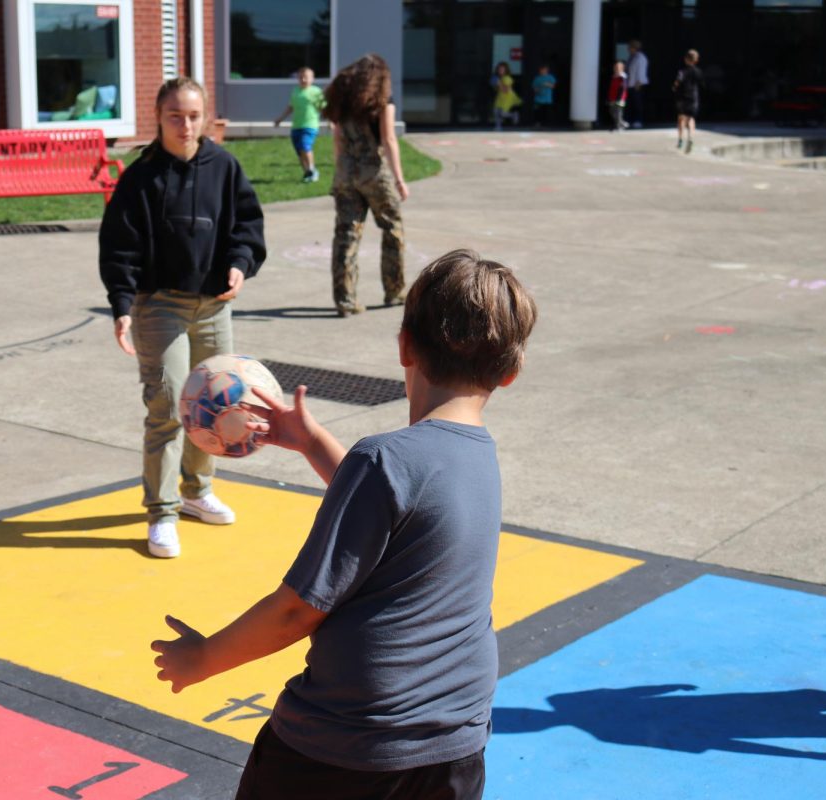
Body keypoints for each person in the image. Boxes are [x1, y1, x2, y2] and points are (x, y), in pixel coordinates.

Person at [151, 249, 539, 800]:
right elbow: (397, 515)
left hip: (347, 746)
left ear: (403, 344)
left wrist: (203, 657)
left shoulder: (383, 460)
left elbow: (296, 609)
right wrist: (312, 443)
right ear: (509, 372)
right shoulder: (477, 455)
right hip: (453, 741)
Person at [99, 76, 266, 559]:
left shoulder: (225, 167)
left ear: (207, 118)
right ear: (158, 117)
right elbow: (119, 246)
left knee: (214, 405)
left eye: (193, 116)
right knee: (169, 405)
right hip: (161, 306)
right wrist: (121, 304)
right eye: (175, 116)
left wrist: (240, 263)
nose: (185, 125)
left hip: (214, 305)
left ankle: (196, 490)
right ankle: (162, 511)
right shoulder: (142, 175)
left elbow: (247, 226)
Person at [322, 53, 408, 318]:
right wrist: (400, 179)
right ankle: (394, 290)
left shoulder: (343, 102)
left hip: (346, 172)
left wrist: (341, 172)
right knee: (392, 228)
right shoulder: (383, 101)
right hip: (374, 173)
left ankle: (345, 300)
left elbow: (337, 139)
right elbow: (389, 138)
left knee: (346, 234)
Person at [273, 67, 326, 183]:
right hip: (296, 126)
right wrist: (280, 119)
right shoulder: (296, 91)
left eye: (306, 77)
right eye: (301, 77)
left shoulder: (316, 92)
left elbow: (323, 108)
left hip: (310, 125)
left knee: (305, 146)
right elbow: (290, 107)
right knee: (300, 151)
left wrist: (330, 121)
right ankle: (307, 172)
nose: (303, 79)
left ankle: (312, 170)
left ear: (312, 79)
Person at [673, 49, 703, 154]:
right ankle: (690, 137)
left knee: (681, 118)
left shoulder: (682, 71)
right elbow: (702, 83)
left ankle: (680, 140)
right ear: (696, 60)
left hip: (682, 98)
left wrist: (674, 88)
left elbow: (677, 83)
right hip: (693, 98)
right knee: (691, 119)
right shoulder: (698, 72)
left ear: (686, 59)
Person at [625, 40, 649, 128]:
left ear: (634, 48)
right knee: (630, 104)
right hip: (630, 85)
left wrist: (638, 83)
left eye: (629, 47)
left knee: (637, 104)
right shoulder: (631, 57)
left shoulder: (640, 58)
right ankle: (630, 120)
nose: (628, 49)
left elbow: (641, 72)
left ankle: (638, 120)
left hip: (637, 85)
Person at [491, 62, 522, 131]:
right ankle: (498, 127)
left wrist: (498, 84)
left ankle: (514, 115)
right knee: (496, 111)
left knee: (502, 113)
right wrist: (495, 85)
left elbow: (506, 90)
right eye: (499, 69)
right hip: (500, 96)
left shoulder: (507, 78)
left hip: (508, 97)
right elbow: (497, 89)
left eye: (502, 69)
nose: (500, 71)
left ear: (506, 70)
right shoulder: (498, 78)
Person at [607, 60, 629, 132]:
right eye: (615, 67)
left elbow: (623, 88)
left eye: (618, 67)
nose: (616, 69)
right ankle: (622, 123)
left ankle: (619, 126)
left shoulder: (622, 77)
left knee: (618, 112)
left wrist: (619, 97)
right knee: (612, 111)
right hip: (612, 97)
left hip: (620, 97)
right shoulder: (613, 76)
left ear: (622, 68)